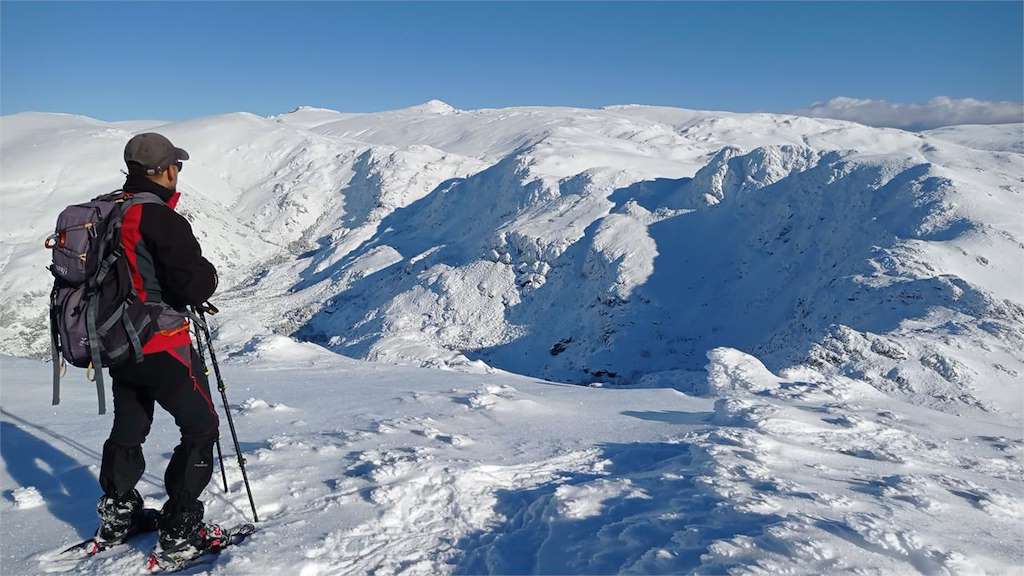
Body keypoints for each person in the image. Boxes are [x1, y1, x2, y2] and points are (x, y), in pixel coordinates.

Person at [94, 132, 224, 563]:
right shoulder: (159, 218)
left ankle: (118, 515)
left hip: (116, 343)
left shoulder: (109, 209)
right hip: (160, 343)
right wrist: (207, 278)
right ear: (164, 170)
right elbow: (193, 282)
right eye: (177, 166)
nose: (177, 173)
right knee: (201, 427)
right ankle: (180, 529)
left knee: (130, 426)